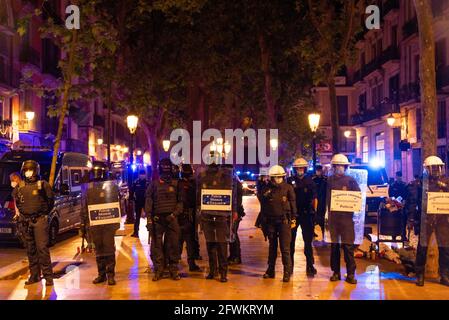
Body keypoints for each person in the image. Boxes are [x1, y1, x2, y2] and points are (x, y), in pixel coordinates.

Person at [407, 156, 449, 287]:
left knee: (445, 248)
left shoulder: (446, 183)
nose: (436, 171)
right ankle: (420, 274)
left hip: (442, 219)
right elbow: (413, 203)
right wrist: (411, 219)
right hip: (426, 219)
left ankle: (445, 275)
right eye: (433, 168)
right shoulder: (419, 184)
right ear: (427, 169)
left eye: (438, 168)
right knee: (422, 248)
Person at [13, 160, 54, 286]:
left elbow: (50, 201)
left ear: (36, 171)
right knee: (30, 250)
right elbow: (17, 202)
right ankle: (34, 275)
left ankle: (48, 277)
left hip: (39, 220)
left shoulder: (43, 185)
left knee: (42, 249)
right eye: (26, 170)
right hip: (26, 222)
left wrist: (42, 214)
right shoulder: (19, 186)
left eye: (30, 170)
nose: (28, 173)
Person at [197, 158, 236, 282]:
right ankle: (213, 271)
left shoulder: (226, 175)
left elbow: (232, 194)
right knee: (211, 244)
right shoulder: (203, 175)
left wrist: (233, 210)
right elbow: (199, 194)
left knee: (221, 245)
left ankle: (223, 272)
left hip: (221, 215)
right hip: (208, 214)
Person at [145, 158, 183, 281]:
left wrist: (174, 214)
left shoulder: (177, 183)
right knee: (157, 246)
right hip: (158, 219)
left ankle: (173, 269)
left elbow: (180, 203)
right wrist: (149, 219)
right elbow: (149, 202)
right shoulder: (154, 184)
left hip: (171, 218)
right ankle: (159, 270)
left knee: (173, 245)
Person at [326, 154, 360, 285]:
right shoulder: (329, 181)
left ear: (345, 167)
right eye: (337, 166)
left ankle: (350, 274)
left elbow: (357, 198)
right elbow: (326, 199)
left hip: (347, 220)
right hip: (334, 220)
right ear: (334, 167)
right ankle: (336, 272)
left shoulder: (351, 181)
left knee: (348, 248)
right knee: (334, 248)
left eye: (341, 166)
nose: (339, 168)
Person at [82, 167, 120, 285]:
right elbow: (85, 206)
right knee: (98, 249)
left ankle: (110, 275)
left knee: (108, 248)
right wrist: (83, 223)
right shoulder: (89, 189)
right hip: (95, 223)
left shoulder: (111, 188)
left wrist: (115, 223)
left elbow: (116, 204)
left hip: (108, 224)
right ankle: (101, 274)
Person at [258, 165, 296, 282]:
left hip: (284, 221)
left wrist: (294, 218)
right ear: (271, 178)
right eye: (275, 177)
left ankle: (287, 272)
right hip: (271, 222)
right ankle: (270, 270)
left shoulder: (288, 188)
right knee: (272, 247)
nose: (278, 179)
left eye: (280, 177)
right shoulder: (267, 188)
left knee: (285, 248)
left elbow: (293, 203)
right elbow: (262, 202)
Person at [287, 157, 317, 277]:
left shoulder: (310, 181)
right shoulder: (289, 181)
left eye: (301, 168)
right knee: (290, 242)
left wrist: (314, 214)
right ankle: (289, 267)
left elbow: (315, 199)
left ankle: (310, 266)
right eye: (297, 168)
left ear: (305, 169)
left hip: (306, 214)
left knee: (308, 242)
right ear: (295, 169)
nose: (300, 170)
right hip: (293, 215)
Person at [178, 164, 201, 272]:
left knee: (179, 240)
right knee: (190, 241)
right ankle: (191, 263)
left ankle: (174, 263)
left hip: (179, 216)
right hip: (189, 216)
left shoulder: (178, 184)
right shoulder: (194, 185)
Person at [228, 166, 245, 265]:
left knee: (233, 233)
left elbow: (237, 201)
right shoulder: (233, 182)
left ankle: (236, 257)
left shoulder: (236, 184)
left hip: (235, 212)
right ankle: (233, 255)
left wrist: (235, 212)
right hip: (233, 211)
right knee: (231, 234)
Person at [131, 170, 148, 238]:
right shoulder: (136, 182)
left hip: (145, 201)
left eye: (143, 174)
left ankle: (152, 231)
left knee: (149, 217)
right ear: (139, 175)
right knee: (137, 218)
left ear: (145, 175)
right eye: (141, 174)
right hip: (137, 201)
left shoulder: (147, 182)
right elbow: (132, 191)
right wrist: (132, 199)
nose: (142, 175)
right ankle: (136, 232)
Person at [313, 165, 327, 239]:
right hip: (315, 201)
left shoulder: (325, 179)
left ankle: (324, 234)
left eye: (320, 170)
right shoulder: (313, 179)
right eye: (317, 170)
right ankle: (312, 232)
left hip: (323, 202)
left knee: (322, 220)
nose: (319, 172)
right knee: (314, 219)